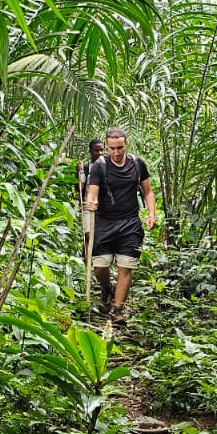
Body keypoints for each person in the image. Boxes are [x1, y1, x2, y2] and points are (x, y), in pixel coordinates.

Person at [86, 128, 155, 318]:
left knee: (126, 266)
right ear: (107, 147)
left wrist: (151, 214)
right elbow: (92, 192)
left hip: (130, 223)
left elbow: (148, 191)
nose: (116, 153)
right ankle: (106, 287)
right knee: (100, 267)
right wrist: (92, 202)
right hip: (104, 223)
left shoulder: (137, 164)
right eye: (112, 149)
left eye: (119, 148)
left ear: (126, 144)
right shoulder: (100, 166)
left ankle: (117, 310)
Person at [77, 139, 104, 261]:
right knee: (88, 235)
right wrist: (78, 172)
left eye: (102, 150)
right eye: (96, 150)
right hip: (87, 205)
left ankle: (97, 264)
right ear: (90, 151)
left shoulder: (107, 166)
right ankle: (86, 264)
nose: (100, 153)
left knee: (100, 237)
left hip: (103, 207)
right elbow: (80, 187)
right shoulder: (86, 167)